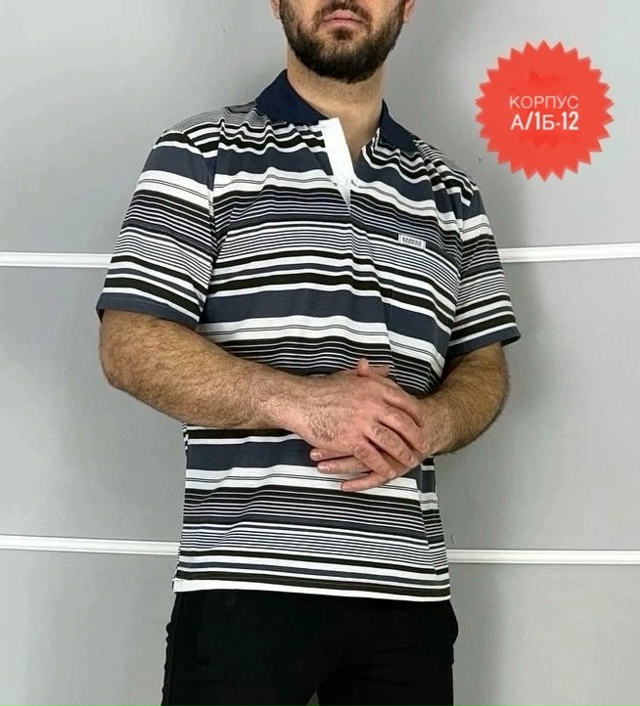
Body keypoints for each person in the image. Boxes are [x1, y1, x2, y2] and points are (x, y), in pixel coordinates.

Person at [96, 1, 520, 704]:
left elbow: (484, 364)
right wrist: (301, 402)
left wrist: (432, 424)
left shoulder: (454, 192)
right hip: (244, 590)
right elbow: (129, 341)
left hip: (409, 597)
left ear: (407, 6)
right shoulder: (198, 152)